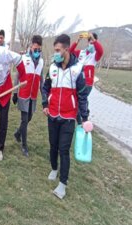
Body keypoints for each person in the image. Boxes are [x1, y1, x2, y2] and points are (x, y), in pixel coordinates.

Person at [41, 34, 89, 200]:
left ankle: (62, 184)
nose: (55, 53)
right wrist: (45, 105)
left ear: (67, 50)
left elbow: (82, 95)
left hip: (69, 117)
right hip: (52, 114)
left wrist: (85, 118)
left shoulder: (77, 69)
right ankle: (54, 169)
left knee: (64, 150)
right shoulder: (53, 68)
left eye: (57, 50)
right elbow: (45, 87)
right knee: (53, 146)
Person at [13, 35, 44, 157]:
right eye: (35, 49)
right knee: (24, 119)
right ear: (31, 46)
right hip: (23, 94)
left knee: (29, 118)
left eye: (39, 50)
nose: (37, 52)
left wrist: (45, 97)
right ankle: (24, 146)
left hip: (33, 96)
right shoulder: (23, 58)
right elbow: (17, 76)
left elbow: (41, 80)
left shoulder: (41, 61)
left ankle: (17, 133)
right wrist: (15, 93)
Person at [70, 32, 104, 124]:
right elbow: (70, 51)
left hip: (87, 82)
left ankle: (83, 120)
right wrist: (77, 41)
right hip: (78, 80)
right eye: (90, 42)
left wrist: (94, 40)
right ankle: (82, 119)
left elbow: (101, 51)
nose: (91, 44)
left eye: (92, 42)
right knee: (80, 100)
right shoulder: (82, 52)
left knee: (82, 98)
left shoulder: (95, 55)